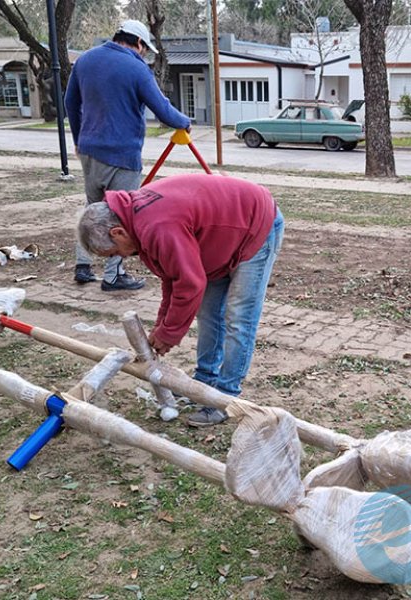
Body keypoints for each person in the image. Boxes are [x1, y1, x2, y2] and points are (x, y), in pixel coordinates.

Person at [77, 174, 284, 427]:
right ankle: (205, 381)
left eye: (114, 252)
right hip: (222, 238)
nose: (120, 256)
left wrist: (169, 334)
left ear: (117, 232)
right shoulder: (137, 222)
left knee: (239, 318)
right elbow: (172, 277)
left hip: (256, 226)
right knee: (209, 314)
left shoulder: (157, 226)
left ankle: (226, 399)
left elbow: (189, 284)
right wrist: (162, 327)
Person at [64, 19, 191, 291]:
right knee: (121, 215)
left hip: (89, 150)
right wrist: (184, 121)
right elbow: (162, 109)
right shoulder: (136, 67)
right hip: (122, 154)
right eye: (144, 50)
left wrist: (78, 139)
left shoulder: (85, 60)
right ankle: (114, 276)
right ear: (139, 43)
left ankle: (83, 265)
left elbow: (70, 102)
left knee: (93, 210)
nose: (143, 54)